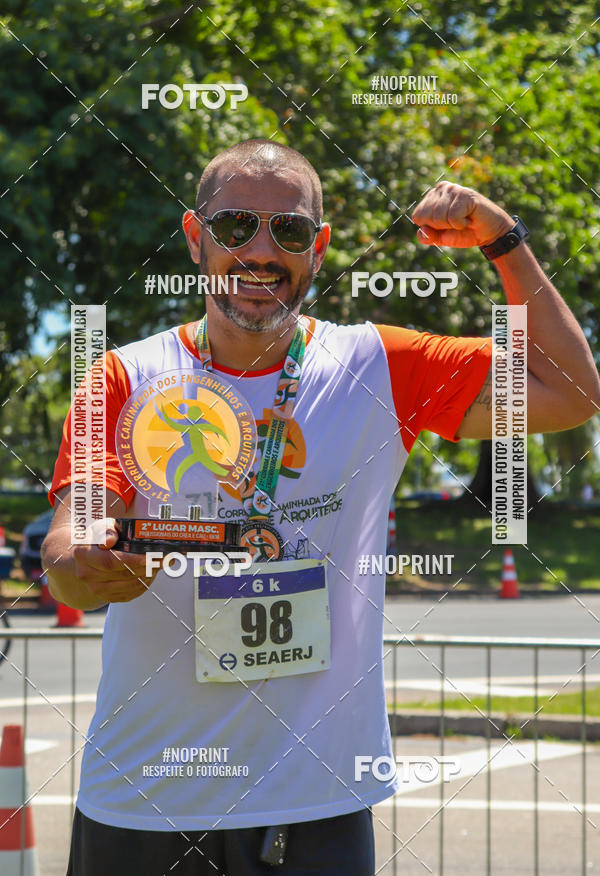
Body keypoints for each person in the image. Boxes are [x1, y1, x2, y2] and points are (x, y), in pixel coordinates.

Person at [42, 139, 600, 875]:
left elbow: (570, 391)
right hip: (145, 802)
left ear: (320, 247)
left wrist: (502, 241)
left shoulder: (379, 366)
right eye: (235, 226)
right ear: (194, 237)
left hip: (316, 808)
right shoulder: (122, 377)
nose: (261, 251)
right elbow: (68, 546)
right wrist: (89, 566)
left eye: (291, 232)